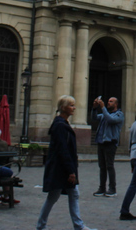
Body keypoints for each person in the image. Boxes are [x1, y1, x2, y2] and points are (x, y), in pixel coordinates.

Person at [36, 95, 96, 230]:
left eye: (74, 105)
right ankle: (42, 225)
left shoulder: (62, 124)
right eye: (71, 105)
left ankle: (77, 225)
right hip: (61, 169)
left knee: (71, 194)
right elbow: (63, 150)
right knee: (55, 197)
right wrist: (70, 171)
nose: (74, 108)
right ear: (63, 108)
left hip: (62, 168)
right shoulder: (60, 126)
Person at [91, 96, 124, 197]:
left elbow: (110, 120)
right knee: (102, 167)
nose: (109, 103)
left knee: (109, 166)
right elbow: (94, 118)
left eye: (111, 101)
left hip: (110, 143)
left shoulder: (119, 115)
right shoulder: (105, 114)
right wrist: (94, 108)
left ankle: (112, 189)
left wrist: (103, 107)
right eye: (108, 101)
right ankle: (102, 188)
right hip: (101, 142)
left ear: (116, 104)